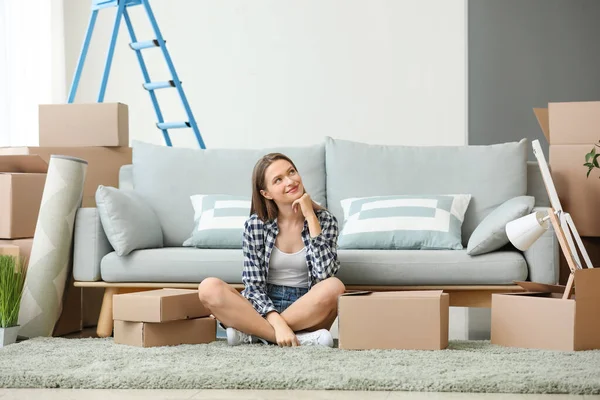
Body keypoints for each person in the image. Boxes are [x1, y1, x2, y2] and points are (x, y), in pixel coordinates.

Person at [197, 152, 345, 347]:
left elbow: (324, 274)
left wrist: (310, 216)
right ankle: (286, 337)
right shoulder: (255, 225)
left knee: (335, 287)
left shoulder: (326, 221)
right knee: (209, 287)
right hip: (263, 304)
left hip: (306, 305)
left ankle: (254, 333)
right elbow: (253, 287)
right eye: (278, 180)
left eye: (292, 172)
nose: (290, 181)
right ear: (266, 193)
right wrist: (277, 323)